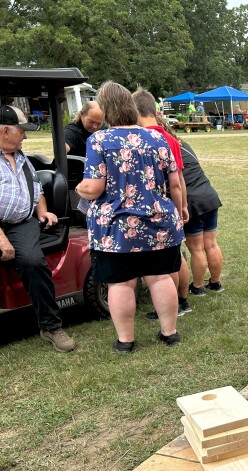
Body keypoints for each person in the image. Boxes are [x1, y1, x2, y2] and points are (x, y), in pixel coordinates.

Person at [76, 81, 187, 353]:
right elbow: (175, 183)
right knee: (160, 278)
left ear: (106, 109)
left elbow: (93, 187)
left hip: (116, 228)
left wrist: (79, 187)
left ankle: (125, 341)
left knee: (121, 283)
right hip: (158, 221)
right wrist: (181, 209)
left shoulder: (98, 140)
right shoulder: (158, 137)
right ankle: (169, 332)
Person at [0, 105, 76, 351]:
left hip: (21, 222)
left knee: (32, 261)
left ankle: (51, 326)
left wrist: (43, 211)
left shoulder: (20, 156)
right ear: (6, 130)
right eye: (22, 130)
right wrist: (0, 238)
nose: (26, 135)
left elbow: (35, 189)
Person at [131, 88, 192, 316]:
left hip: (156, 206)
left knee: (165, 265)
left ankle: (169, 305)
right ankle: (182, 300)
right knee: (177, 256)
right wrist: (182, 206)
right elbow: (180, 180)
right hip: (172, 205)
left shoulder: (140, 139)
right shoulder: (170, 138)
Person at [177, 137, 224, 294]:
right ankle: (215, 282)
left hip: (193, 200)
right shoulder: (184, 145)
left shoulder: (167, 148)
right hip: (209, 196)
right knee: (211, 244)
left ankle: (197, 287)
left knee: (196, 248)